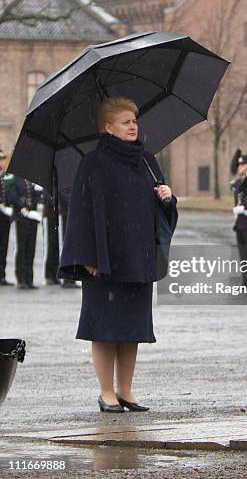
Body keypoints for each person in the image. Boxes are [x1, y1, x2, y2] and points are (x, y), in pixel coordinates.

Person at [58, 96, 178, 413]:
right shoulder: (92, 163)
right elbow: (80, 214)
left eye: (134, 120)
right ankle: (106, 391)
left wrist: (167, 198)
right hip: (104, 260)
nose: (133, 126)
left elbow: (157, 209)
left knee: (132, 329)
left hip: (139, 257)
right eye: (125, 122)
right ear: (107, 127)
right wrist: (88, 257)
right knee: (105, 328)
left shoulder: (149, 162)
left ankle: (126, 390)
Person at [9, 177, 44, 289]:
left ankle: (29, 279)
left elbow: (37, 197)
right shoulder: (16, 180)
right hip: (21, 218)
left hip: (32, 218)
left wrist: (38, 196)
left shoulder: (33, 181)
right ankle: (21, 279)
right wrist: (21, 203)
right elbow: (11, 196)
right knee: (22, 248)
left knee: (31, 249)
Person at [229, 149, 247, 286]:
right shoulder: (237, 183)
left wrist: (246, 210)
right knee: (243, 253)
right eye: (239, 165)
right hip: (239, 223)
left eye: (242, 165)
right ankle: (246, 280)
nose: (239, 167)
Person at [0, 149, 14, 285]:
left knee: (4, 245)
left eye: (3, 159)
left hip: (5, 217)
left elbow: (9, 194)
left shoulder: (6, 177)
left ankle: (2, 274)